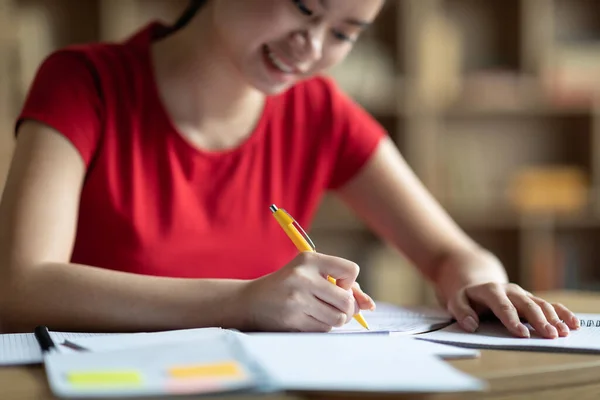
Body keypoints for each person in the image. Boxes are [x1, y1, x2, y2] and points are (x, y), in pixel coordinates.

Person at [0, 0, 579, 338]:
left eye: (345, 33)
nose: (311, 46)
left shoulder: (319, 112)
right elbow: (19, 286)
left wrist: (481, 283)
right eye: (304, 7)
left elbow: (452, 252)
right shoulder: (84, 83)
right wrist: (238, 301)